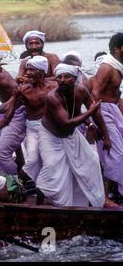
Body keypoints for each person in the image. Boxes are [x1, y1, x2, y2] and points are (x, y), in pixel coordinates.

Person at [38, 63, 110, 207]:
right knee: (51, 168)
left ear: (75, 78)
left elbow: (96, 112)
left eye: (67, 77)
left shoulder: (82, 90)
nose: (63, 80)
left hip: (71, 135)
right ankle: (39, 204)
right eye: (59, 77)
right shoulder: (53, 97)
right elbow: (66, 123)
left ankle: (96, 201)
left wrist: (106, 136)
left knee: (93, 161)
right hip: (51, 137)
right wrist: (89, 112)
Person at [92, 33, 123, 198]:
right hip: (104, 111)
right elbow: (94, 93)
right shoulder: (107, 67)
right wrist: (99, 124)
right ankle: (111, 195)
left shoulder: (117, 65)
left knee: (116, 152)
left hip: (113, 110)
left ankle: (114, 191)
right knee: (116, 152)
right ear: (118, 49)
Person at [18, 56, 57, 181]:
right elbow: (10, 105)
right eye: (27, 69)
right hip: (32, 129)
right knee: (32, 161)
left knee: (50, 162)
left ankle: (43, 193)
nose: (27, 73)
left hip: (49, 129)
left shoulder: (54, 87)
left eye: (31, 70)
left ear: (41, 72)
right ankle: (15, 185)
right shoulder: (24, 89)